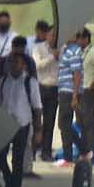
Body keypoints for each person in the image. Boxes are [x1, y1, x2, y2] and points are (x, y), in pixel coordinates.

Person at [0, 49, 41, 187]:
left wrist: (38, 130)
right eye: (12, 62)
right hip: (5, 124)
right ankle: (10, 182)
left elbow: (37, 107)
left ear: (24, 65)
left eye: (18, 63)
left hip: (22, 124)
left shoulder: (30, 82)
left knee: (17, 159)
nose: (14, 65)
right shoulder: (3, 82)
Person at [60, 28, 94, 163]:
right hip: (79, 91)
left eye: (80, 39)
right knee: (81, 123)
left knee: (88, 124)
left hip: (88, 91)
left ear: (86, 39)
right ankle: (84, 151)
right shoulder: (79, 52)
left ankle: (91, 153)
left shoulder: (92, 52)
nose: (78, 41)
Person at [32, 21, 60, 162]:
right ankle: (31, 150)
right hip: (41, 87)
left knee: (50, 122)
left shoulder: (62, 49)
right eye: (51, 34)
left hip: (55, 88)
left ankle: (46, 152)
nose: (54, 37)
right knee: (36, 120)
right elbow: (37, 65)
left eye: (56, 35)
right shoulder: (38, 48)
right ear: (47, 35)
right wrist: (52, 57)